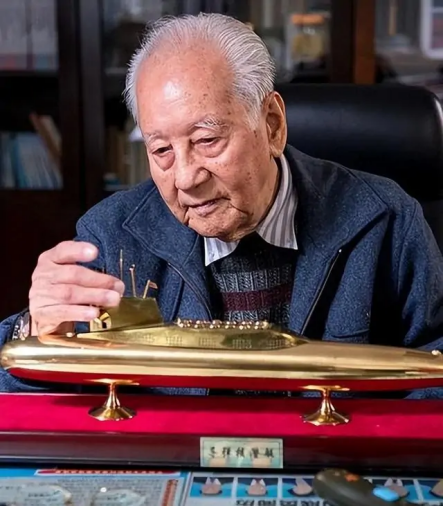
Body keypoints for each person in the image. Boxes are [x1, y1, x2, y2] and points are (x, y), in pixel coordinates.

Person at [1, 13, 443, 397]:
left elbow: (435, 374)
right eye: (161, 151)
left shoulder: (385, 219)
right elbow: (41, 401)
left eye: (207, 140)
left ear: (272, 125)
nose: (186, 179)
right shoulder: (110, 237)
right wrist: (35, 335)